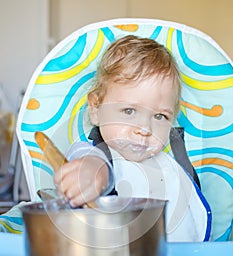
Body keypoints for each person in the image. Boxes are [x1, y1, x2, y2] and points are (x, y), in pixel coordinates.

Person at [54, 35, 211, 242]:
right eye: (129, 111)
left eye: (159, 116)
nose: (145, 129)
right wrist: (92, 174)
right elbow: (90, 163)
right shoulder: (93, 154)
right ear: (96, 109)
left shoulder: (169, 164)